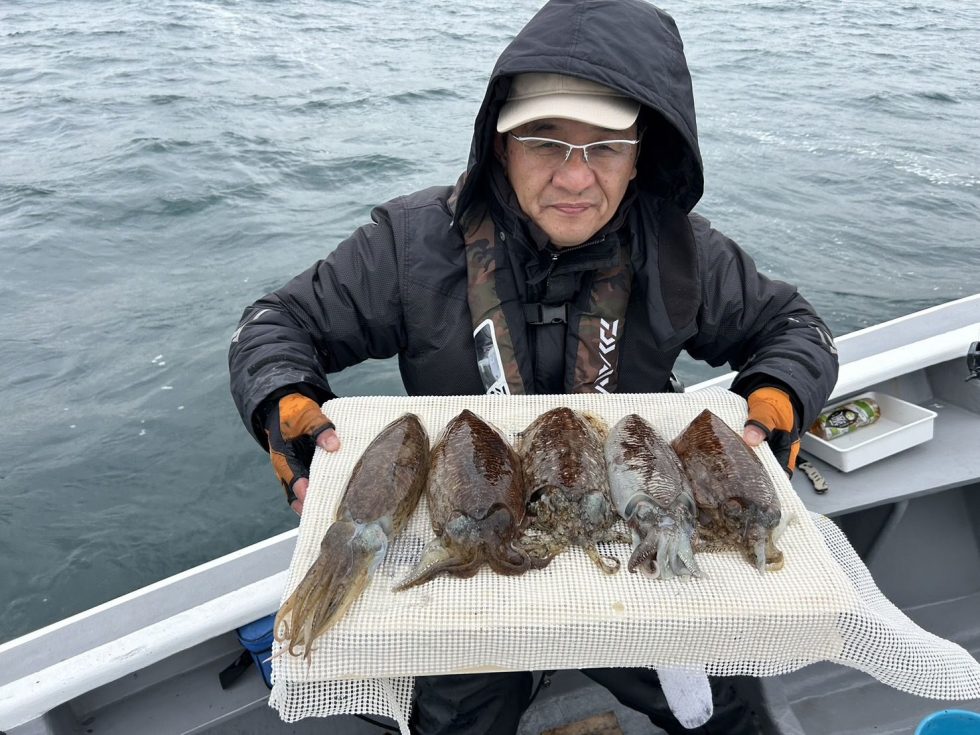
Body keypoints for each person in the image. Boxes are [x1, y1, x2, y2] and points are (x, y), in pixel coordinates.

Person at [229, 0, 839, 732]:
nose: (576, 179)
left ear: (642, 153)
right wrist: (284, 400)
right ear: (499, 145)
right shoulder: (410, 245)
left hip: (632, 528)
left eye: (607, 146)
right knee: (459, 716)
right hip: (470, 533)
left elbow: (794, 327)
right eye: (546, 142)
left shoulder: (681, 252)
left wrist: (780, 395)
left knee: (722, 710)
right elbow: (277, 325)